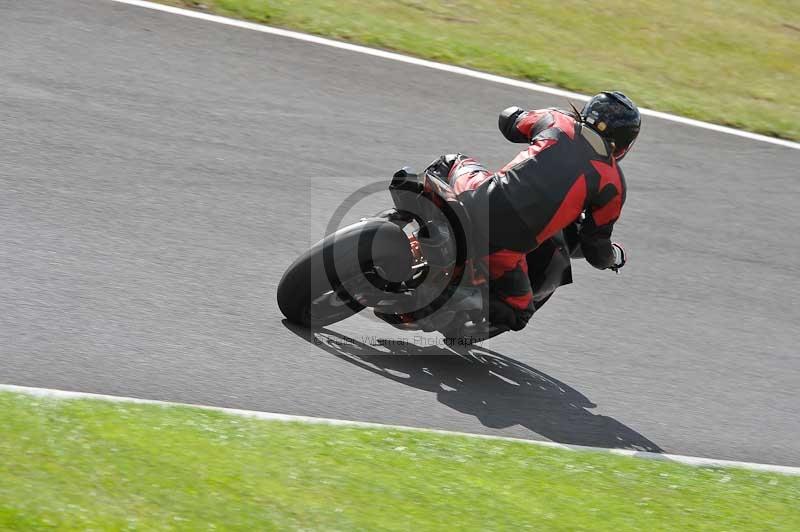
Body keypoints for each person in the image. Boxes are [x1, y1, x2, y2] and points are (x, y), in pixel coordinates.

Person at [427, 91, 640, 333]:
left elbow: (509, 121)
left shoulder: (556, 121)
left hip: (475, 198)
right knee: (519, 313)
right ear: (625, 145)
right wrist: (612, 259)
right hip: (505, 250)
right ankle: (455, 301)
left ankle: (423, 220)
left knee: (450, 162)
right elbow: (596, 246)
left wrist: (520, 114)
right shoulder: (613, 183)